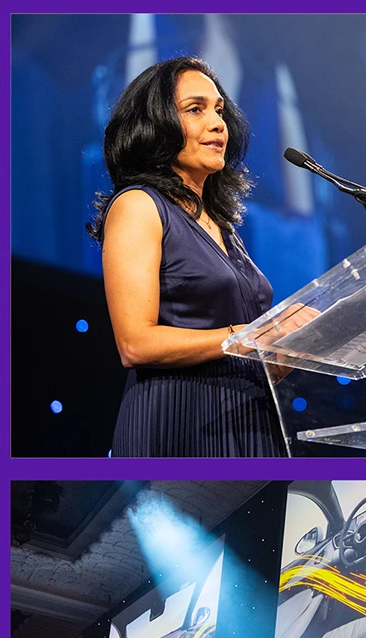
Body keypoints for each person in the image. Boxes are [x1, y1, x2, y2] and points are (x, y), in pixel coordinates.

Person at [94, 57, 288, 457]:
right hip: (179, 418)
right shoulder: (139, 205)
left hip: (247, 418)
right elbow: (134, 344)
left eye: (219, 110)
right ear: (156, 125)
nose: (219, 124)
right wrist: (249, 338)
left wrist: (291, 343)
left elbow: (244, 348)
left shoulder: (222, 226)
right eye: (195, 109)